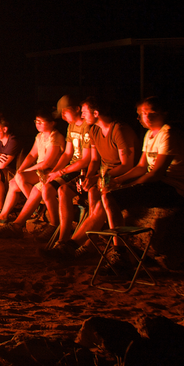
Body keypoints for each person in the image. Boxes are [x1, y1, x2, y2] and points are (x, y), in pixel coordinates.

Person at [95, 96, 184, 268]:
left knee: (112, 198)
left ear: (162, 113)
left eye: (149, 113)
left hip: (175, 188)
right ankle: (116, 245)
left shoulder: (168, 134)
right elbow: (142, 167)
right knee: (109, 194)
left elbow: (156, 173)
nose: (143, 117)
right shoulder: (150, 134)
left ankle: (120, 254)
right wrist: (117, 180)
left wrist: (128, 186)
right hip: (160, 184)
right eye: (141, 113)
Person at [43, 96, 138, 259]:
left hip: (119, 177)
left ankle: (81, 246)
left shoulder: (119, 130)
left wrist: (101, 178)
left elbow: (127, 165)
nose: (83, 115)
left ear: (96, 112)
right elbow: (94, 160)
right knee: (82, 191)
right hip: (103, 176)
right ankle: (68, 243)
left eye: (85, 112)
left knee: (99, 196)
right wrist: (86, 178)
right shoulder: (94, 130)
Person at [0, 109, 64, 237]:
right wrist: (21, 169)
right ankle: (3, 215)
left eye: (41, 121)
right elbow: (31, 155)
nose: (38, 124)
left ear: (52, 123)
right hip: (39, 170)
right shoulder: (39, 136)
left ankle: (36, 209)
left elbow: (47, 163)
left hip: (49, 171)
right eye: (36, 121)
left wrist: (26, 171)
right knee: (14, 183)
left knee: (20, 177)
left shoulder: (55, 137)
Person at [37, 95, 93, 249]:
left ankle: (64, 236)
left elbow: (86, 160)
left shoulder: (88, 126)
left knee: (62, 190)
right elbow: (68, 154)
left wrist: (60, 172)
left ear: (77, 109)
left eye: (65, 111)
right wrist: (53, 172)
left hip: (83, 170)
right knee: (48, 187)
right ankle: (54, 224)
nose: (62, 115)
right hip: (72, 167)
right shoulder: (71, 126)